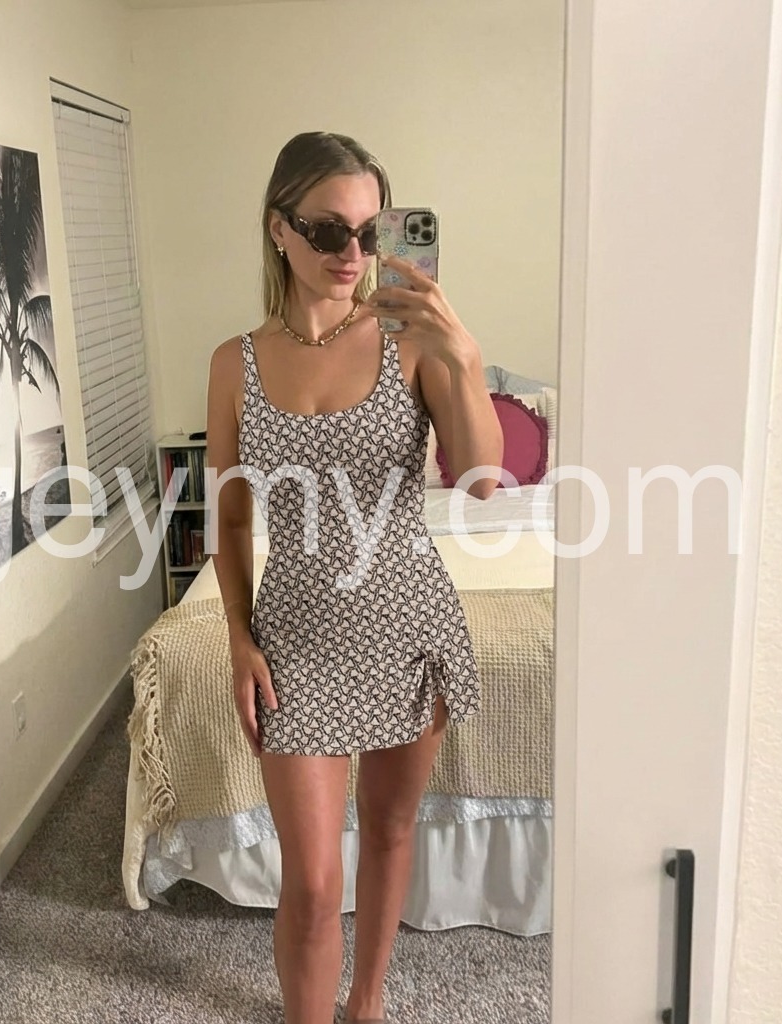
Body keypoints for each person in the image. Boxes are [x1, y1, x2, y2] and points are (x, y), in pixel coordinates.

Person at [204, 131, 503, 1024]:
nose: (353, 254)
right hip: (295, 637)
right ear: (278, 229)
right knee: (310, 881)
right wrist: (238, 638)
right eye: (329, 230)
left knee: (391, 828)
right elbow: (230, 520)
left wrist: (464, 358)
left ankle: (368, 1004)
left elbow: (483, 479)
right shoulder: (234, 363)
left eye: (370, 233)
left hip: (408, 624)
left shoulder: (412, 342)